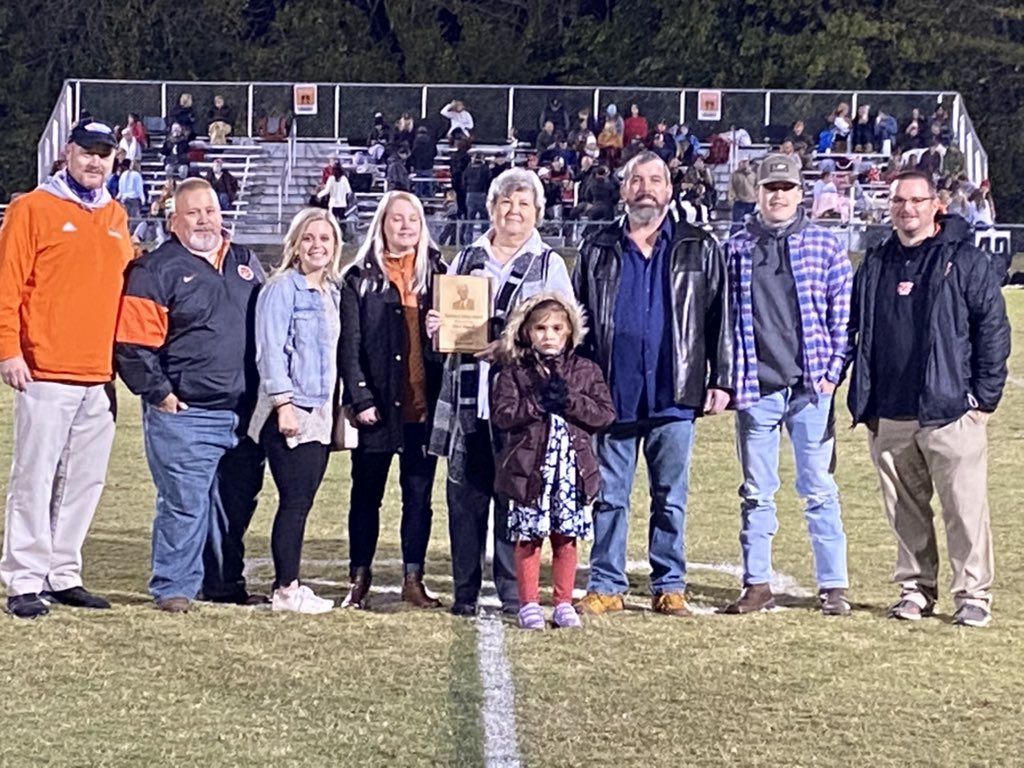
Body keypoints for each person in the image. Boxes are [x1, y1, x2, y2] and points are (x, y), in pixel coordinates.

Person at [846, 170, 1010, 629]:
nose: (907, 208)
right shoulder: (876, 262)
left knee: (964, 509)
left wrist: (983, 397)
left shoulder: (965, 260)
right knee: (905, 512)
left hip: (950, 411)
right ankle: (916, 589)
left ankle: (973, 594)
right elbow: (858, 331)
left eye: (917, 200)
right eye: (899, 200)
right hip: (890, 412)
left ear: (936, 204)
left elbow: (993, 330)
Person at [572, 151, 732, 618]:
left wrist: (719, 379)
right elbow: (578, 320)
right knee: (608, 496)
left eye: (656, 179)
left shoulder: (698, 245)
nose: (646, 187)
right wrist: (583, 384)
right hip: (612, 394)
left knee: (671, 498)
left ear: (670, 189)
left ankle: (670, 584)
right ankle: (606, 583)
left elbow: (720, 316)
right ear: (623, 190)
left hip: (674, 392)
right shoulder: (597, 247)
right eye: (636, 180)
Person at [426, 168, 574, 617]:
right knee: (465, 498)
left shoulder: (550, 264)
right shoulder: (466, 258)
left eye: (524, 204)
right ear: (491, 208)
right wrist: (437, 329)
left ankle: (515, 594)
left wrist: (506, 347)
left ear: (538, 213)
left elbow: (565, 334)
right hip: (469, 396)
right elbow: (445, 322)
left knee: (516, 497)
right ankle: (465, 591)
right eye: (506, 202)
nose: (514, 211)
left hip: (521, 403)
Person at [0, 120, 133, 619]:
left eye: (105, 153)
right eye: (87, 152)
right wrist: (8, 349)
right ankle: (23, 577)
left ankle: (63, 571)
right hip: (44, 368)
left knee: (84, 480)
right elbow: (6, 284)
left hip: (99, 374)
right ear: (67, 153)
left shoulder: (116, 215)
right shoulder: (32, 208)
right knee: (34, 477)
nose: (96, 162)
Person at [115, 178, 267, 613]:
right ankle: (173, 588)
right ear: (174, 219)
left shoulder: (243, 260)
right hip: (187, 412)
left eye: (211, 210)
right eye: (194, 212)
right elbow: (132, 343)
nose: (205, 219)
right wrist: (160, 393)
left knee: (232, 507)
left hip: (241, 413)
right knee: (184, 505)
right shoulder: (155, 269)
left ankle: (223, 585)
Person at [724, 153, 853, 616]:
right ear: (757, 192)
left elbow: (843, 316)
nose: (778, 195)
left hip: (809, 389)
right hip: (756, 388)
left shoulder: (825, 246)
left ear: (802, 193)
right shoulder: (735, 247)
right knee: (757, 491)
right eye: (770, 188)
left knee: (819, 488)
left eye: (787, 188)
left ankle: (833, 584)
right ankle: (757, 583)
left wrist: (831, 371)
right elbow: (722, 319)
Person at [340, 192, 447, 610]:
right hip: (378, 408)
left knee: (418, 496)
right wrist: (361, 397)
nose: (405, 226)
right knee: (366, 493)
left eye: (413, 220)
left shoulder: (439, 273)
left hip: (423, 407)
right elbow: (349, 347)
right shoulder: (358, 277)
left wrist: (444, 331)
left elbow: (459, 340)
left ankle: (413, 579)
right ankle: (358, 577)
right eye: (396, 219)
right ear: (381, 224)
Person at [491, 292, 616, 630]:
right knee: (529, 537)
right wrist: (537, 404)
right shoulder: (513, 373)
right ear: (526, 332)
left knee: (566, 536)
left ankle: (563, 602)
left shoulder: (586, 370)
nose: (548, 335)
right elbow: (503, 415)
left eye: (556, 328)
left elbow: (605, 414)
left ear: (569, 332)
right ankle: (528, 603)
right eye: (540, 328)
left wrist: (570, 401)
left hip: (571, 471)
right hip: (530, 470)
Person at [248, 208, 342, 614]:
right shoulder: (282, 288)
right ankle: (287, 589)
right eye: (309, 238)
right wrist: (283, 406)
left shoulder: (332, 292)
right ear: (295, 245)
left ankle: (288, 583)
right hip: (292, 409)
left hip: (320, 410)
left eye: (324, 239)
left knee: (301, 499)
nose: (317, 246)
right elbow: (269, 351)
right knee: (295, 501)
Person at [317, 163, 353, 240]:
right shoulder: (344, 179)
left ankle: (332, 236)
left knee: (332, 221)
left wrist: (318, 195)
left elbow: (326, 191)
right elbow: (348, 191)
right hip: (342, 204)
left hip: (333, 204)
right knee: (342, 220)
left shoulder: (331, 179)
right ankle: (342, 236)